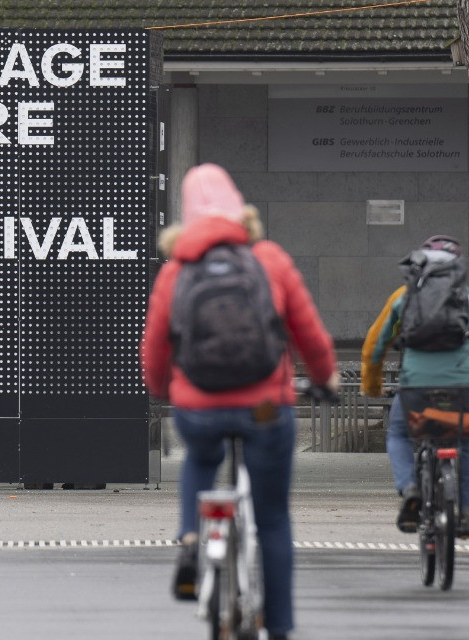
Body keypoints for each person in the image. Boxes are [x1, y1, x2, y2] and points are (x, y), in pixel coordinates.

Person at [141, 164, 337, 640]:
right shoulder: (270, 260)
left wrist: (163, 388)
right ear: (241, 213)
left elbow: (155, 347)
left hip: (199, 406)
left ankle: (192, 538)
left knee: (200, 460)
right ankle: (280, 626)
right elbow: (309, 335)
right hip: (265, 407)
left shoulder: (176, 271)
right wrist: (324, 378)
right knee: (272, 517)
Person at [361, 234, 469, 535]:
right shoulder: (466, 297)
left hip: (415, 389)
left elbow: (375, 345)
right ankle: (466, 510)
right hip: (462, 388)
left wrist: (372, 386)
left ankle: (409, 488)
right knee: (466, 442)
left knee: (398, 433)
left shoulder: (403, 296)